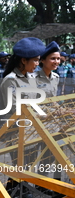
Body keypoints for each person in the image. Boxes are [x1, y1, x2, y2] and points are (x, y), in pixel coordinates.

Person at [1, 37, 45, 198]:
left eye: (38, 59)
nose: (37, 63)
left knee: (27, 166)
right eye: (34, 60)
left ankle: (17, 196)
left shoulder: (31, 77)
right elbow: (14, 109)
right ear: (23, 60)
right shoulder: (10, 80)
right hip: (16, 131)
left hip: (32, 130)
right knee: (19, 166)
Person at [33, 41, 61, 186]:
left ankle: (42, 184)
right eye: (52, 58)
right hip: (36, 122)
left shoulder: (56, 77)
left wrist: (62, 110)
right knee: (31, 157)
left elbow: (53, 100)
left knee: (49, 156)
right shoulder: (32, 78)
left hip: (52, 123)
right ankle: (23, 190)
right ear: (42, 60)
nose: (56, 61)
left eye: (58, 58)